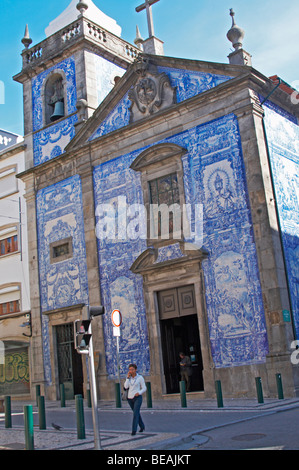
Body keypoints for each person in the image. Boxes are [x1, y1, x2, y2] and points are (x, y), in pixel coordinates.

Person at [124, 363, 147, 435]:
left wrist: (139, 392)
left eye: (132, 369)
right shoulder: (128, 378)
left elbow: (144, 388)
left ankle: (134, 430)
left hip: (137, 397)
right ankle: (142, 426)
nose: (131, 371)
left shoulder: (140, 378)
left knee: (135, 413)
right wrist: (127, 378)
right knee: (136, 413)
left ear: (136, 370)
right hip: (130, 398)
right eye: (130, 369)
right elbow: (125, 387)